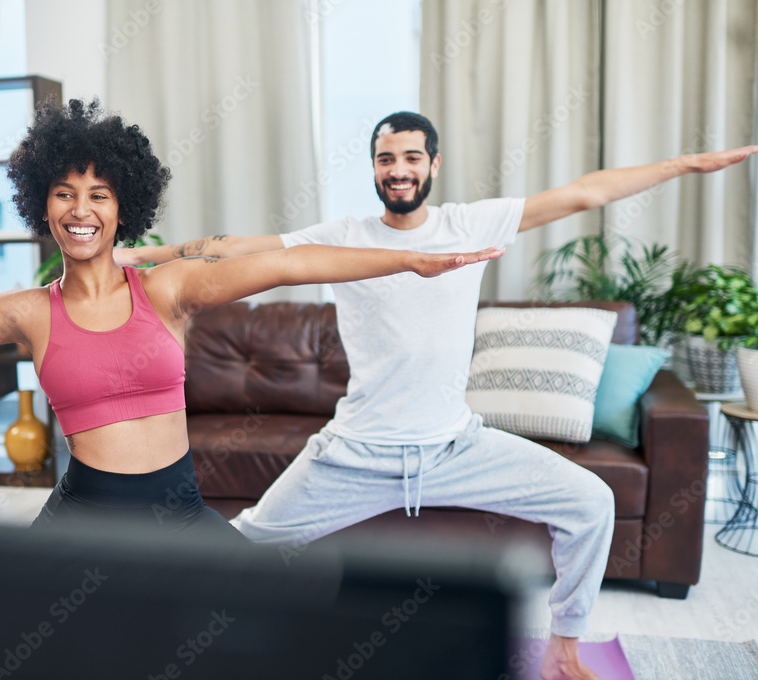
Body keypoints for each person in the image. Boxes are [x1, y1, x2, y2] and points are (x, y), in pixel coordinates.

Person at [114, 111, 758, 680]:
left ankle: (564, 651)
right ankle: (152, 634)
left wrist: (684, 163)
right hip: (354, 454)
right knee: (240, 546)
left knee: (590, 500)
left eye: (411, 157)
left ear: (433, 164)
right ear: (373, 167)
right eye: (386, 158)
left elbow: (584, 194)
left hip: (455, 447)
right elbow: (236, 250)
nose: (398, 170)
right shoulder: (345, 235)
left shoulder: (469, 224)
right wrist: (149, 256)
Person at [0, 100, 503, 542]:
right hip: (86, 506)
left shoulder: (167, 289)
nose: (80, 209)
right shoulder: (30, 313)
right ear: (43, 207)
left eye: (98, 194)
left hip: (176, 506)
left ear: (124, 207)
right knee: (7, 630)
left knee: (262, 619)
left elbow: (295, 264)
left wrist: (406, 262)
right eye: (63, 194)